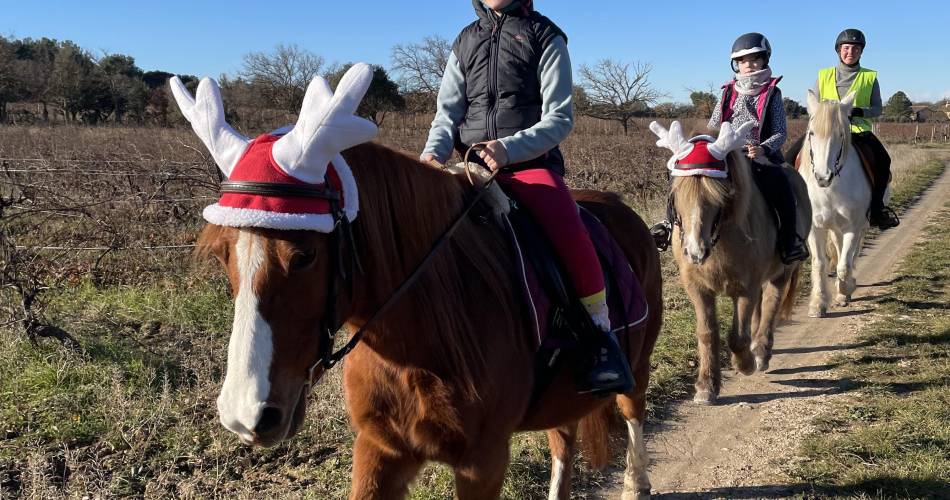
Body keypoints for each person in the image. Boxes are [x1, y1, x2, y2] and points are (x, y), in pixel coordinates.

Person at [420, 0, 633, 394]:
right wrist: (432, 155)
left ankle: (600, 336)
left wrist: (508, 148)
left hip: (528, 162)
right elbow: (446, 114)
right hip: (469, 163)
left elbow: (559, 118)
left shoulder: (546, 35)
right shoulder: (465, 40)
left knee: (566, 224)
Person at [651, 33, 808, 264]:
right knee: (682, 177)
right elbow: (713, 125)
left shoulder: (773, 92)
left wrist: (763, 148)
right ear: (736, 64)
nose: (749, 65)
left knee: (781, 184)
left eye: (755, 59)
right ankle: (670, 223)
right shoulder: (727, 91)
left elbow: (780, 132)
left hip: (759, 156)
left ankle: (789, 240)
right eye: (743, 60)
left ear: (765, 60)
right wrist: (706, 147)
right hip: (725, 154)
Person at [813, 29, 899, 229]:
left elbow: (878, 108)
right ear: (838, 50)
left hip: (858, 133)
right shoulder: (823, 75)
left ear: (861, 52)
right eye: (846, 48)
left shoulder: (869, 77)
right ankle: (797, 208)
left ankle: (877, 210)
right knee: (792, 158)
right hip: (828, 133)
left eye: (855, 48)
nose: (850, 52)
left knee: (884, 160)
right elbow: (814, 105)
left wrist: (860, 111)